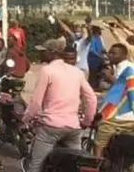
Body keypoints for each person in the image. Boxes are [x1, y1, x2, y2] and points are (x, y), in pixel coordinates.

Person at [22, 38, 97, 172]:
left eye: (43, 51)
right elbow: (91, 98)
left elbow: (36, 103)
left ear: (52, 53)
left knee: (36, 164)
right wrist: (86, 121)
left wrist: (26, 119)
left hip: (50, 128)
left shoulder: (47, 70)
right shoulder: (77, 72)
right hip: (73, 128)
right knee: (76, 164)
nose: (40, 54)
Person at [95, 43, 134, 157]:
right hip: (129, 117)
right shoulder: (124, 66)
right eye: (109, 52)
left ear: (123, 55)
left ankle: (96, 163)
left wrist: (108, 77)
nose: (109, 55)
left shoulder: (125, 68)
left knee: (100, 142)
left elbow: (122, 89)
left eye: (113, 53)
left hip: (119, 117)